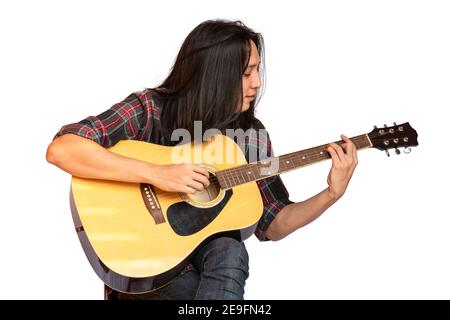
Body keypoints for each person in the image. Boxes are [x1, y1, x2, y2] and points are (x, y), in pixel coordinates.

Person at [46, 19, 358, 300]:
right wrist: (158, 173)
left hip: (207, 275)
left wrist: (331, 193)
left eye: (257, 70)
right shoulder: (150, 109)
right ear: (216, 74)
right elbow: (64, 149)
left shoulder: (248, 135)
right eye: (246, 72)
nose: (257, 83)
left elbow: (273, 225)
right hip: (145, 274)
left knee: (229, 248)